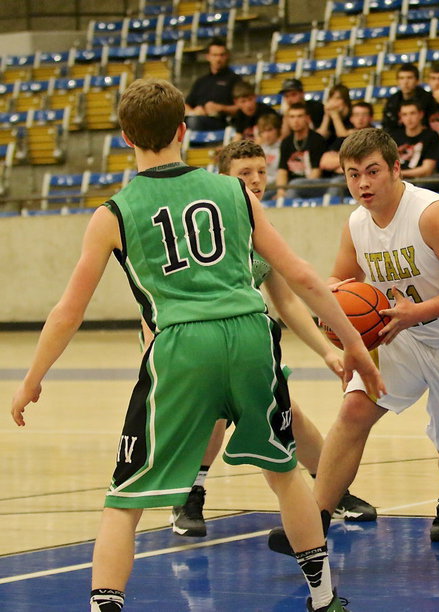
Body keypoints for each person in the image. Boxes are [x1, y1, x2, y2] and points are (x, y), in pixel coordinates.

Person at [10, 78, 385, 612]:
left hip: (181, 344)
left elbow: (69, 311)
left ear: (124, 137)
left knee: (126, 498)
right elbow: (300, 274)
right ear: (184, 130)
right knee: (285, 472)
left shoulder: (112, 214)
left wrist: (32, 379)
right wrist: (354, 349)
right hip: (252, 335)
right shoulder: (234, 192)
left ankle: (104, 605)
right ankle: (324, 598)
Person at [266, 127, 439, 557]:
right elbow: (340, 280)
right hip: (401, 335)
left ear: (396, 168)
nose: (363, 184)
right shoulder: (357, 224)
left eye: (373, 172)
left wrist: (417, 312)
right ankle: (313, 523)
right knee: (354, 408)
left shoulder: (432, 215)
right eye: (353, 174)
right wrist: (333, 308)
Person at [169, 140, 378, 539]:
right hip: (197, 340)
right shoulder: (203, 229)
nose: (256, 181)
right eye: (244, 174)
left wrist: (328, 351)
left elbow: (287, 301)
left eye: (261, 172)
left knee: (289, 414)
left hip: (246, 341)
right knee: (216, 413)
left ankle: (332, 492)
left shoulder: (259, 229)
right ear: (222, 180)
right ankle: (188, 496)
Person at [184, 39, 241, 131]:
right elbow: (187, 104)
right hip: (197, 117)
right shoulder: (201, 81)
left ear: (227, 56)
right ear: (208, 57)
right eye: (215, 55)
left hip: (221, 121)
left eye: (221, 55)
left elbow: (242, 108)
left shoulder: (235, 79)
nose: (218, 59)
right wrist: (193, 112)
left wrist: (221, 108)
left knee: (193, 122)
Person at [276, 102, 329, 200]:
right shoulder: (286, 142)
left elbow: (316, 172)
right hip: (291, 186)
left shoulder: (317, 140)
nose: (296, 121)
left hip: (312, 184)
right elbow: (282, 170)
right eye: (292, 117)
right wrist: (281, 191)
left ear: (307, 118)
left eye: (299, 116)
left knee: (294, 187)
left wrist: (298, 188)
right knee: (266, 195)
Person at [390, 99, 439, 179]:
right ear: (400, 117)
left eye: (412, 113)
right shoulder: (394, 137)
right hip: (397, 180)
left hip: (420, 182)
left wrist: (398, 173)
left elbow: (427, 170)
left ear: (421, 114)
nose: (409, 118)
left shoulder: (431, 136)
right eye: (404, 114)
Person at [381, 62, 437, 133]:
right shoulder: (392, 101)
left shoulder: (428, 99)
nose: (405, 82)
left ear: (417, 81)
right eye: (402, 78)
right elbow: (387, 125)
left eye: (409, 78)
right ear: (397, 81)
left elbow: (434, 123)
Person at [253, 113, 282, 199]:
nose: (267, 135)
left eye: (270, 130)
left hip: (275, 187)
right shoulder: (258, 150)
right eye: (263, 131)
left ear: (277, 130)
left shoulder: (283, 148)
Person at [316, 84, 354, 148]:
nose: (333, 102)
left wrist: (335, 115)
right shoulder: (325, 115)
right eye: (331, 98)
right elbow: (320, 137)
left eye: (338, 98)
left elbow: (342, 137)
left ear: (346, 101)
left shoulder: (353, 116)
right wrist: (326, 115)